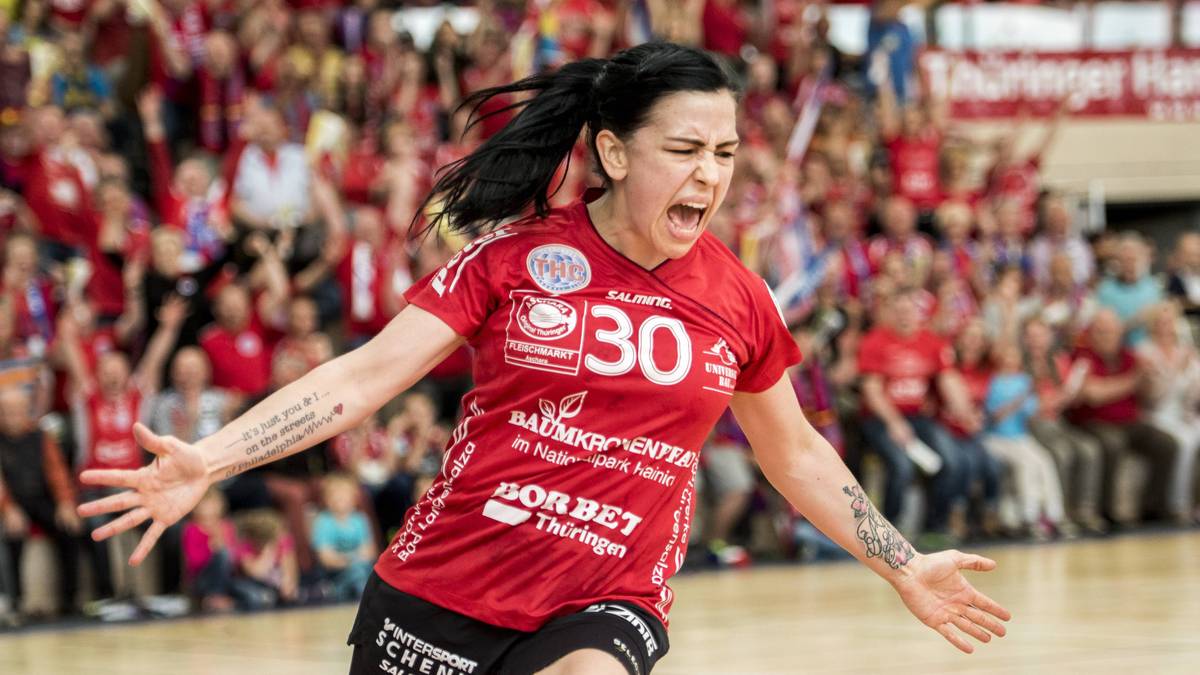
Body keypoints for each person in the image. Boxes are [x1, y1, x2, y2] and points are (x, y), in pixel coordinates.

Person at [78, 44, 1009, 675]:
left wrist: (902, 562)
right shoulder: (512, 260)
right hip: (442, 590)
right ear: (613, 151)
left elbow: (794, 452)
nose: (710, 174)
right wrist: (212, 458)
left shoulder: (739, 299)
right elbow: (361, 377)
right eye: (685, 148)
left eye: (725, 152)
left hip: (606, 601)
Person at [312, 473, 376, 601]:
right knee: (358, 575)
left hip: (361, 568)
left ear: (354, 498)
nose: (340, 499)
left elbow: (369, 551)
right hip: (335, 574)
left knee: (365, 572)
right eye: (335, 495)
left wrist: (357, 561)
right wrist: (351, 561)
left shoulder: (360, 520)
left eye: (344, 495)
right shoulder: (323, 522)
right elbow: (325, 558)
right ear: (326, 499)